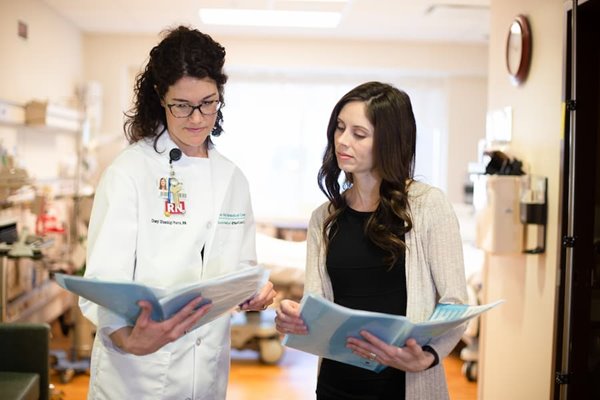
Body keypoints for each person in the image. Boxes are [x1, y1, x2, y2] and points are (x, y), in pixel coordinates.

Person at [79, 25, 276, 400]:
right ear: (160, 98)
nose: (198, 118)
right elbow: (103, 282)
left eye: (208, 102)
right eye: (182, 105)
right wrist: (129, 339)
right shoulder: (129, 172)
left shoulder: (233, 178)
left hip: (206, 374)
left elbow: (241, 269)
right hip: (137, 377)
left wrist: (254, 292)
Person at [275, 81, 468, 400]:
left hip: (403, 385)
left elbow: (455, 303)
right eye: (339, 128)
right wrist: (294, 319)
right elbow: (317, 304)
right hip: (336, 386)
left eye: (358, 133)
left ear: (389, 142)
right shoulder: (323, 218)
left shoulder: (427, 206)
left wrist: (429, 355)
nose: (342, 141)